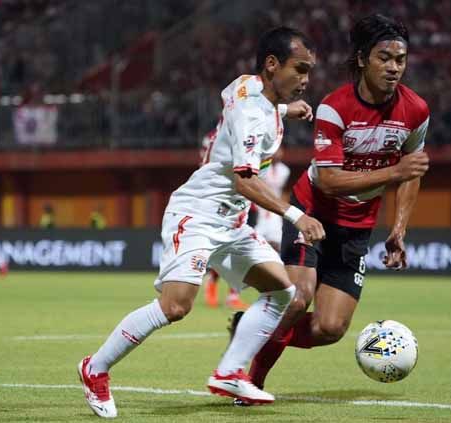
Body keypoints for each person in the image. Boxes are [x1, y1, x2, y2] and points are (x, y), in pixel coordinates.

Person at [78, 26, 325, 418]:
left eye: (309, 71)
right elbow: (245, 181)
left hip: (231, 224)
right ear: (272, 64)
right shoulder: (250, 113)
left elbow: (240, 99)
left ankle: (229, 371)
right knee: (176, 307)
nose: (306, 80)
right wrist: (298, 215)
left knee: (283, 292)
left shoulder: (247, 87)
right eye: (300, 69)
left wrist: (283, 108)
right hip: (197, 215)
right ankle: (95, 368)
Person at [234, 14, 431, 403]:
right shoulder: (333, 108)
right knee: (296, 298)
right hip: (313, 214)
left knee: (330, 328)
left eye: (400, 60)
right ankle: (250, 381)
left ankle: (251, 328)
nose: (394, 68)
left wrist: (399, 229)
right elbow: (330, 180)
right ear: (361, 59)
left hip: (357, 229)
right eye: (384, 58)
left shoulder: (417, 111)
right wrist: (395, 170)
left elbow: (413, 173)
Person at [199, 130, 250, 310]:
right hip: (220, 196)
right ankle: (213, 285)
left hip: (239, 198)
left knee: (236, 249)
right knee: (222, 247)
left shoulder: (241, 129)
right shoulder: (217, 135)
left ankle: (232, 295)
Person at [253, 146, 291, 252]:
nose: (278, 153)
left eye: (280, 150)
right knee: (256, 237)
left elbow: (284, 191)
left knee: (277, 238)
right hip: (259, 206)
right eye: (275, 151)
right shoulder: (262, 168)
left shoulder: (285, 170)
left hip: (275, 207)